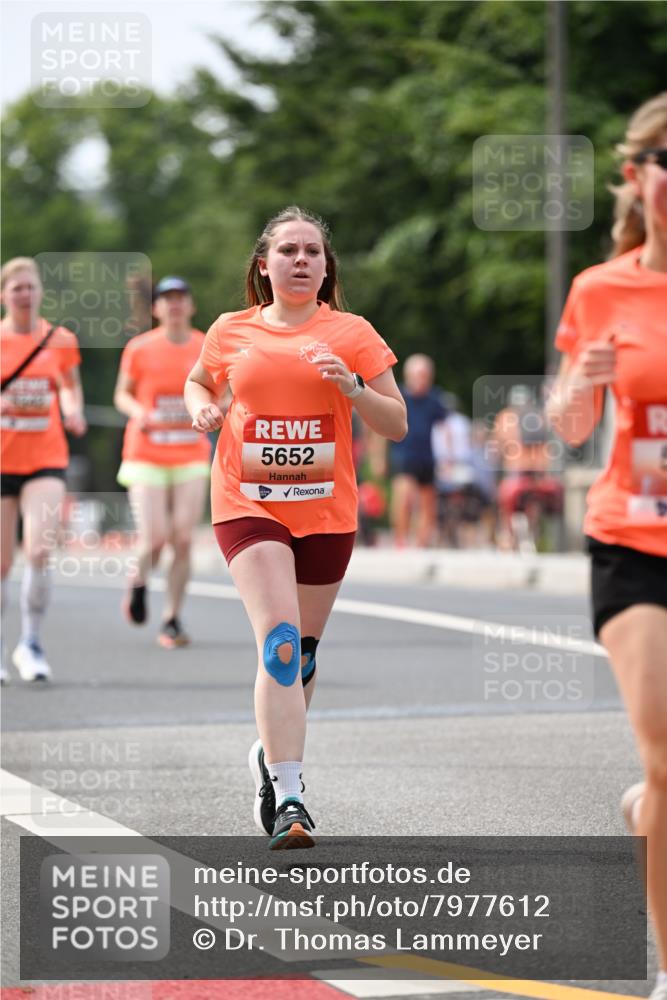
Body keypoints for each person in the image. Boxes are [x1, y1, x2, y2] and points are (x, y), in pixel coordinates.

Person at [184, 206, 406, 849]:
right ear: (264, 265)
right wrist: (203, 408)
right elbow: (198, 382)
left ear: (326, 267)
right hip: (247, 502)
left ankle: (268, 749)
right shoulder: (231, 329)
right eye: (288, 250)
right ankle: (289, 797)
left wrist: (355, 389)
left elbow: (396, 423)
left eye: (313, 251)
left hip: (326, 510)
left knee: (302, 654)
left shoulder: (353, 333)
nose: (301, 260)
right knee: (280, 643)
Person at [547, 93, 667, 1000]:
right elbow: (568, 423)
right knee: (666, 755)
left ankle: (645, 810)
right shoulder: (601, 289)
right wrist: (580, 385)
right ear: (638, 175)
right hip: (635, 539)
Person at [0, 257, 86, 682]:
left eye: (30, 287)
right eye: (16, 288)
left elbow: (70, 386)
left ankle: (30, 643)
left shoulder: (59, 339)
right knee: (1, 563)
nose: (25, 294)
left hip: (46, 458)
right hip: (2, 461)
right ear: (4, 295)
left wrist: (73, 411)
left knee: (39, 550)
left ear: (40, 292)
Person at [114, 276, 212, 648]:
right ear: (155, 308)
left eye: (181, 297)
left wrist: (213, 408)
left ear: (191, 306)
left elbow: (225, 391)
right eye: (167, 298)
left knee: (183, 540)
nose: (174, 304)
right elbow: (122, 395)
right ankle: (138, 581)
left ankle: (172, 618)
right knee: (154, 539)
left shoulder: (206, 347)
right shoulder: (140, 348)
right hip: (146, 453)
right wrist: (138, 412)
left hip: (190, 452)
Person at [493, 383, 563, 549]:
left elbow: (497, 446)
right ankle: (533, 533)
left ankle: (508, 536)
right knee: (537, 501)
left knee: (506, 502)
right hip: (539, 471)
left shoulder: (505, 417)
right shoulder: (538, 416)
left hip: (516, 470)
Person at [389, 354, 448, 547]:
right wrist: (377, 457)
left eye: (425, 376)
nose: (422, 380)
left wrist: (448, 456)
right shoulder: (399, 395)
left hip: (427, 456)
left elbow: (445, 427)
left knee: (427, 502)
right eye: (419, 375)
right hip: (403, 454)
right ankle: (400, 539)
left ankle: (421, 543)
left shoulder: (434, 399)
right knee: (404, 497)